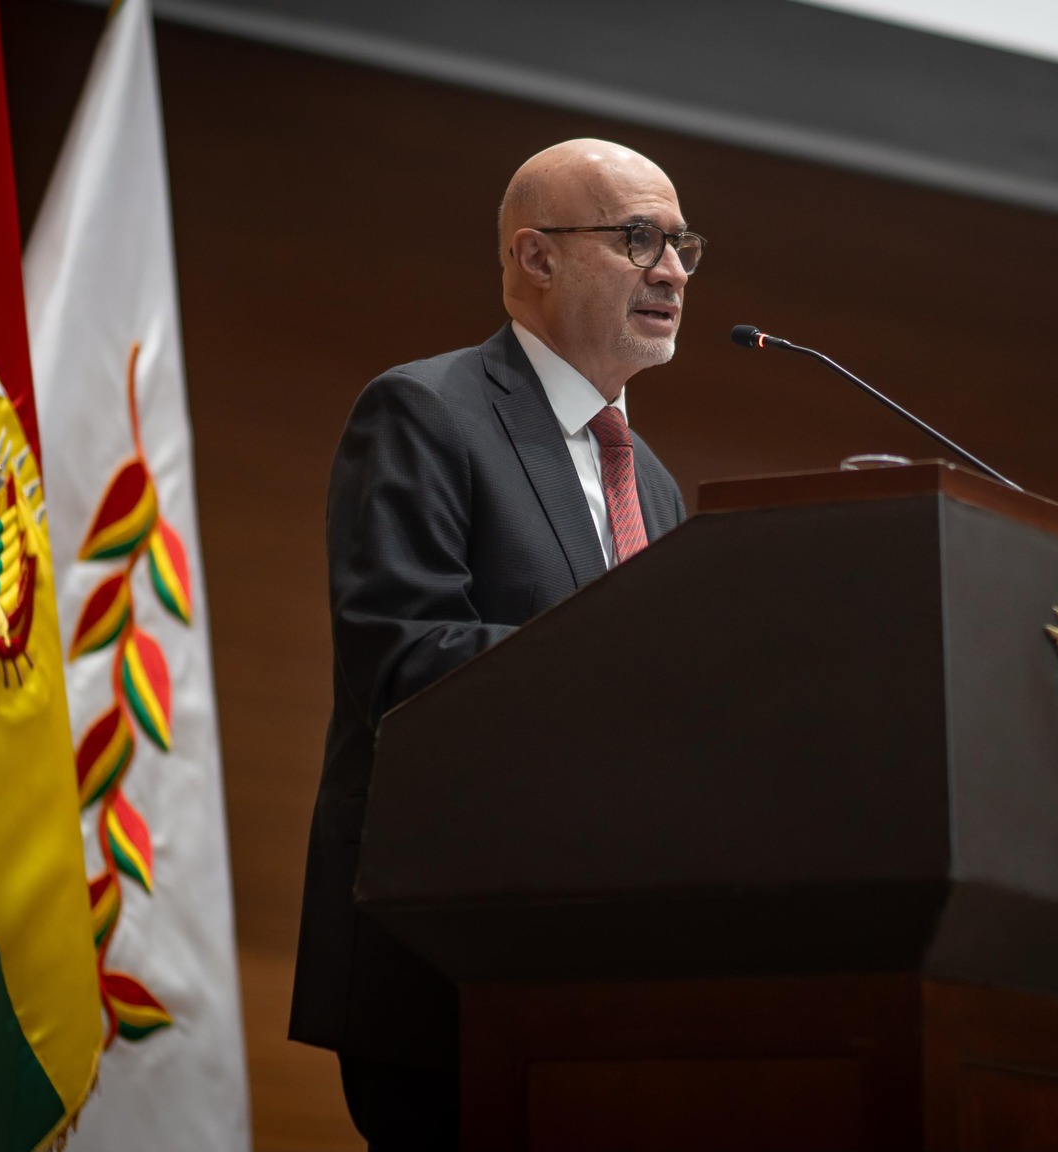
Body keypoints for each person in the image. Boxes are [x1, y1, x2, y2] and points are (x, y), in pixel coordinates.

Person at [289, 139, 698, 1150]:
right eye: (638, 238)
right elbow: (404, 658)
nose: (674, 270)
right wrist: (640, 678)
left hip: (600, 978)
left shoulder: (652, 481)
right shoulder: (426, 414)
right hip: (446, 966)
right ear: (535, 257)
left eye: (682, 243)